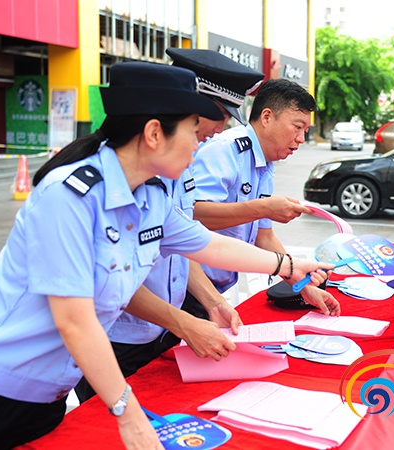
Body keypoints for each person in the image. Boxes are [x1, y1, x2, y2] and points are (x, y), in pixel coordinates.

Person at [0, 61, 332, 450]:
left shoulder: (151, 194)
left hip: (50, 390)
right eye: (192, 132)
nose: (201, 144)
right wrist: (127, 411)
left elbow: (206, 243)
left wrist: (289, 266)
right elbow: (74, 321)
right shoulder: (69, 198)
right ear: (154, 133)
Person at [75, 48, 267, 403]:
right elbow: (113, 286)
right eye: (198, 126)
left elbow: (192, 242)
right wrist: (182, 322)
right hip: (108, 340)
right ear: (155, 130)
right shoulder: (81, 193)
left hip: (157, 328)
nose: (205, 138)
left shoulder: (158, 178)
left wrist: (212, 302)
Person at [182, 77, 341, 324]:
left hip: (214, 288)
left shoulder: (265, 163)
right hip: (188, 288)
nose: (301, 138)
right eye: (297, 127)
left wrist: (305, 287)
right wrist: (263, 208)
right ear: (267, 117)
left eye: (306, 131)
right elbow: (194, 213)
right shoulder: (225, 150)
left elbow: (263, 236)